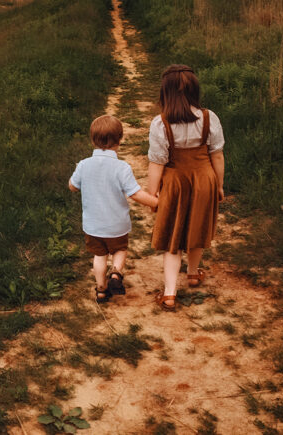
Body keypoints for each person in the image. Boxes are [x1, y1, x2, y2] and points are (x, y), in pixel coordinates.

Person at [146, 65, 225, 311]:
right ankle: (192, 273)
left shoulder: (160, 124)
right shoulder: (209, 118)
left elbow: (157, 162)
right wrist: (219, 186)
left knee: (173, 235)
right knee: (198, 225)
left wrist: (152, 193)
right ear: (194, 91)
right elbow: (218, 156)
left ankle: (169, 293)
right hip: (204, 179)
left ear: (165, 93)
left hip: (174, 182)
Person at [69, 115, 158, 303]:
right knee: (119, 250)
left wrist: (77, 175)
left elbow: (72, 186)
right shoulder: (122, 168)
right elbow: (135, 193)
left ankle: (101, 290)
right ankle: (116, 274)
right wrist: (155, 203)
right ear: (119, 140)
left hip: (93, 225)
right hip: (117, 224)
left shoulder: (84, 165)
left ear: (92, 140)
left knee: (99, 255)